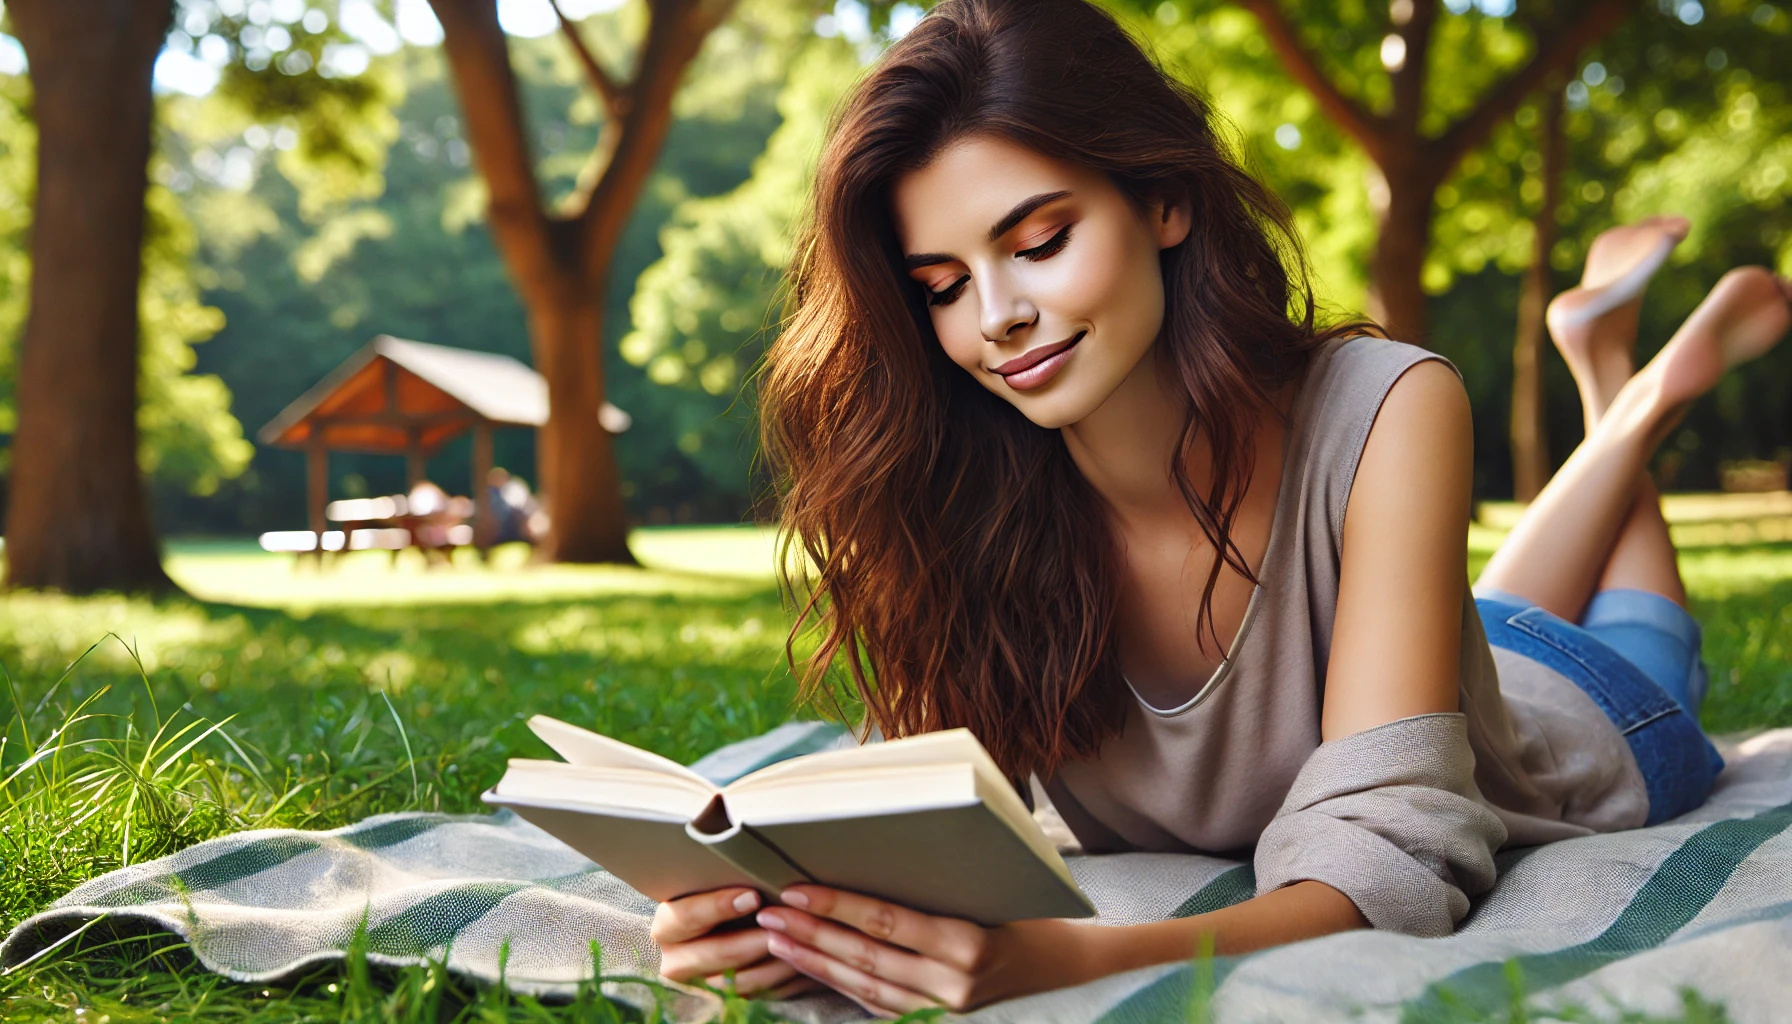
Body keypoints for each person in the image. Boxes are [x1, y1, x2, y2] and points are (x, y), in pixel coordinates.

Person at [648, 0, 1792, 1014]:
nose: (995, 316)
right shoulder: (968, 484)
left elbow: (1392, 856)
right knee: (1469, 618)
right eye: (941, 287)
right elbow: (918, 798)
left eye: (1039, 241)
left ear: (1164, 203)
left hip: (1590, 711)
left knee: (1631, 645)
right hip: (1426, 662)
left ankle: (1638, 399)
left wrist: (1064, 961)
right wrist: (768, 912)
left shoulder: (1388, 401)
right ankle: (1608, 374)